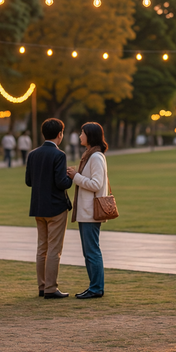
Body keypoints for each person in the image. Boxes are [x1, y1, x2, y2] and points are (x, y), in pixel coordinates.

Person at [25, 118, 74, 299]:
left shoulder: (33, 154)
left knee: (42, 248)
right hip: (56, 207)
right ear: (60, 134)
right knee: (54, 249)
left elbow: (28, 181)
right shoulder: (59, 155)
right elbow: (61, 183)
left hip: (38, 206)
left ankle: (42, 285)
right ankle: (51, 288)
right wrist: (71, 176)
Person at [67, 122, 109, 299]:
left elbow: (96, 184)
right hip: (87, 211)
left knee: (92, 251)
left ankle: (96, 287)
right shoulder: (90, 155)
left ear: (90, 135)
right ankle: (94, 286)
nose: (79, 136)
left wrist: (75, 176)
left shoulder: (95, 157)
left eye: (82, 133)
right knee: (89, 251)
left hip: (90, 211)